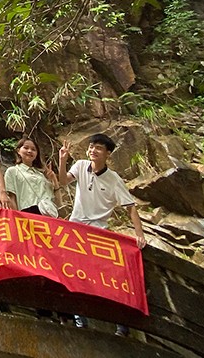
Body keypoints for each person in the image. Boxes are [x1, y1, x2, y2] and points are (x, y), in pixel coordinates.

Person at [58, 133, 146, 333]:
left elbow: (130, 208)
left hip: (99, 233)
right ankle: (80, 320)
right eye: (91, 146)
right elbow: (63, 181)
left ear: (108, 154)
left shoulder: (114, 179)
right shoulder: (80, 166)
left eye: (98, 147)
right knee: (73, 274)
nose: (93, 150)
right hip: (76, 230)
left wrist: (139, 234)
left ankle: (121, 324)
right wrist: (62, 160)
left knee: (108, 278)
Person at [4, 138, 59, 216]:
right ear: (18, 151)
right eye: (26, 148)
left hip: (46, 215)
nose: (29, 151)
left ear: (36, 154)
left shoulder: (41, 175)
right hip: (26, 214)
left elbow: (57, 202)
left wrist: (54, 180)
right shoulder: (13, 171)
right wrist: (16, 217)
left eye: (33, 149)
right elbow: (11, 197)